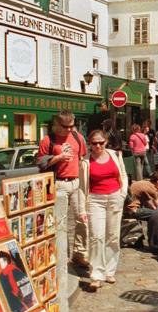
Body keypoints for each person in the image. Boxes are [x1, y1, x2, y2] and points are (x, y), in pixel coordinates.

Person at [38, 110, 89, 271]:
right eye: (65, 127)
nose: (69, 129)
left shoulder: (77, 137)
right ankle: (62, 256)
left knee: (81, 219)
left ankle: (79, 254)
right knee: (61, 221)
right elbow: (40, 164)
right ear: (57, 125)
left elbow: (83, 157)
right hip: (59, 183)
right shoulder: (48, 140)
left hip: (76, 182)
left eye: (71, 126)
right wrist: (58, 158)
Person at [78, 129, 127, 290]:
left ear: (106, 142)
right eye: (94, 143)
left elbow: (123, 176)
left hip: (114, 197)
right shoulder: (85, 162)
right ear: (89, 143)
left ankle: (109, 271)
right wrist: (82, 210)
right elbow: (81, 188)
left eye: (101, 142)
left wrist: (122, 194)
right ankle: (96, 275)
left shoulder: (115, 155)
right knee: (96, 237)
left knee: (112, 236)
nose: (98, 146)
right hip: (95, 200)